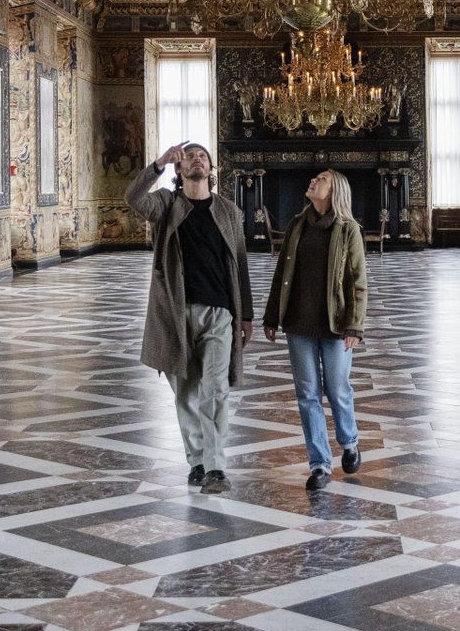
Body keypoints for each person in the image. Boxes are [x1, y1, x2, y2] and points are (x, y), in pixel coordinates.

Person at [126, 142, 254, 494]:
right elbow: (133, 198)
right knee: (186, 392)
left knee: (215, 390)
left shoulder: (229, 211)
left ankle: (215, 468)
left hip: (220, 313)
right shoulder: (167, 205)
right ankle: (196, 460)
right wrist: (157, 165)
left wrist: (247, 315)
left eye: (203, 157)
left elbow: (240, 263)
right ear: (180, 171)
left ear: (211, 169)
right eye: (190, 157)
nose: (197, 160)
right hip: (174, 312)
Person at [263, 170, 367, 491]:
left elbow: (357, 282)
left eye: (320, 179)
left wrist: (354, 325)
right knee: (307, 395)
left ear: (334, 189)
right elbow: (282, 273)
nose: (312, 181)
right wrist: (271, 316)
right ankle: (320, 464)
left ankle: (349, 441)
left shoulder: (348, 230)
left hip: (336, 326)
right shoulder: (297, 225)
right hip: (298, 324)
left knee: (336, 390)